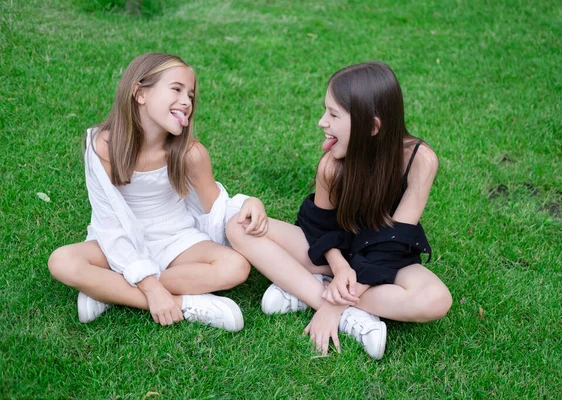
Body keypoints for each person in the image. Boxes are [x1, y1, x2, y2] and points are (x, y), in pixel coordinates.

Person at [227, 61, 452, 358]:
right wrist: (339, 266)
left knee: (436, 300)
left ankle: (311, 292)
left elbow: (393, 243)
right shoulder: (332, 167)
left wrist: (338, 301)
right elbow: (319, 229)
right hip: (338, 253)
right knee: (236, 227)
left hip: (386, 260)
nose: (322, 122)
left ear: (371, 127)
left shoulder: (420, 161)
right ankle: (327, 299)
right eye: (325, 110)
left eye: (333, 114)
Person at [48, 53, 268, 332]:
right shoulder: (102, 145)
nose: (187, 101)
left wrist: (250, 202)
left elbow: (215, 207)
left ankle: (109, 289)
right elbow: (110, 222)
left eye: (190, 95)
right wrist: (151, 289)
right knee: (62, 261)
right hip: (121, 240)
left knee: (235, 266)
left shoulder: (190, 153)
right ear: (140, 94)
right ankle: (183, 303)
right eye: (176, 89)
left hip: (176, 238)